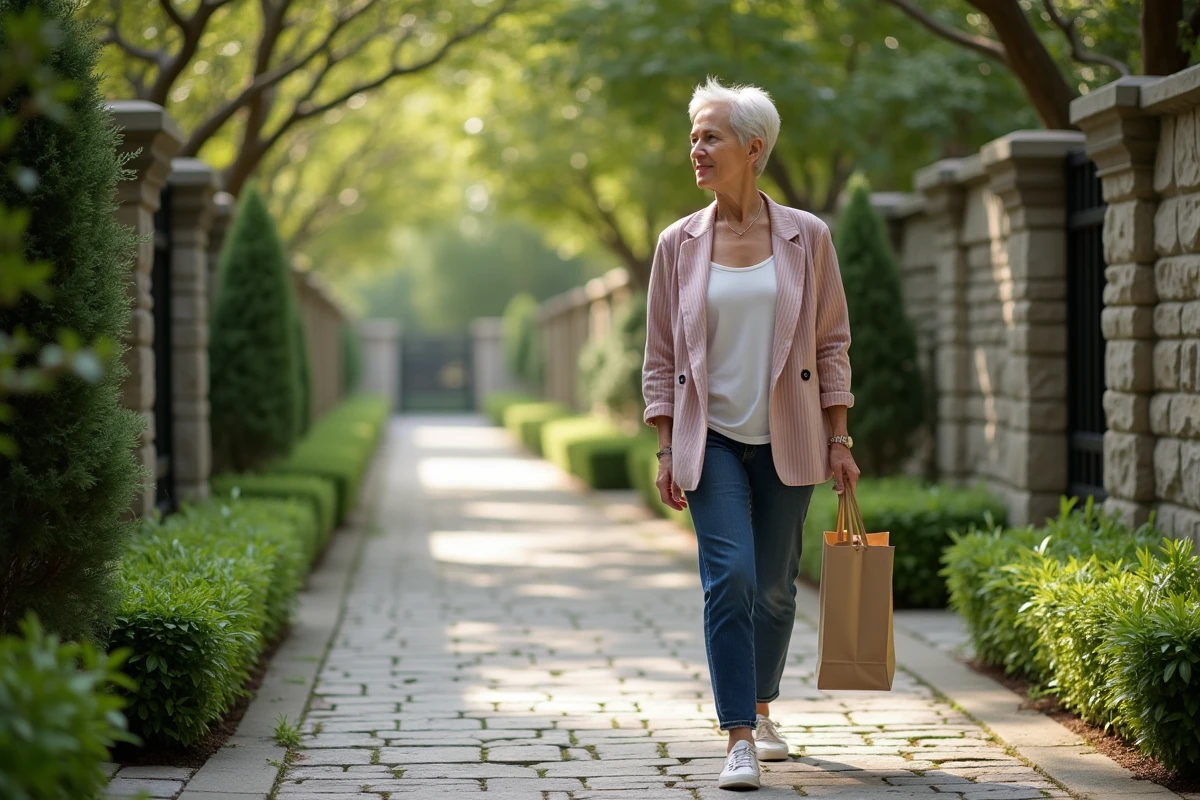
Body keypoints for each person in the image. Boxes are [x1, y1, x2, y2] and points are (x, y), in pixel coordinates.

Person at [641, 76, 860, 791]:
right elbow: (661, 355)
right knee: (729, 578)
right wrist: (665, 445)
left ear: (753, 148)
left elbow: (831, 342)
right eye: (693, 137)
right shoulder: (677, 244)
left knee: (773, 588)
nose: (696, 150)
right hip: (710, 440)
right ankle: (738, 735)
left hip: (789, 437)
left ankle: (763, 706)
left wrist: (840, 438)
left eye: (711, 137)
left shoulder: (807, 236)